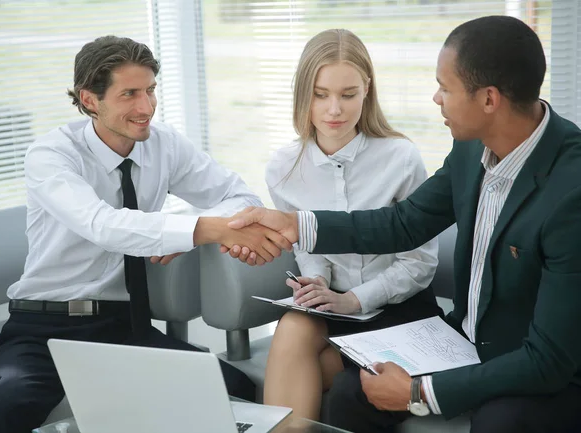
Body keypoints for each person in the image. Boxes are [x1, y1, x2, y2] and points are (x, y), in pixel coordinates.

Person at [226, 16, 581, 433]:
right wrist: (295, 224)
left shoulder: (571, 191)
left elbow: (549, 360)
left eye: (445, 88)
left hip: (537, 364)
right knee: (348, 393)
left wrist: (419, 393)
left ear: (488, 99)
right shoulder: (471, 149)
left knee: (498, 423)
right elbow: (404, 223)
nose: (435, 98)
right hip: (463, 343)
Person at [0, 35, 291, 433]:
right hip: (43, 327)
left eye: (150, 91)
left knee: (237, 391)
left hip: (125, 328)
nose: (146, 108)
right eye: (129, 94)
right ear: (90, 99)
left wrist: (181, 234)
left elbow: (239, 195)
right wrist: (197, 230)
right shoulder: (51, 155)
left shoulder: (164, 146)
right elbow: (102, 225)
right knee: (10, 404)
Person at [261, 29, 442, 421]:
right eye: (320, 94)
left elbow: (420, 263)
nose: (334, 110)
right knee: (293, 324)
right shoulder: (283, 167)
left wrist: (355, 300)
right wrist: (318, 281)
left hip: (398, 308)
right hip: (332, 310)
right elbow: (306, 246)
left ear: (367, 91)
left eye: (348, 94)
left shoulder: (401, 157)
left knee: (320, 373)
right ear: (302, 93)